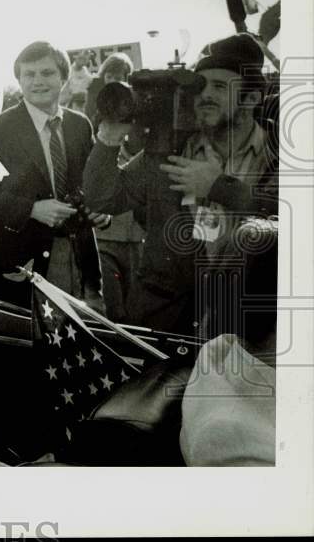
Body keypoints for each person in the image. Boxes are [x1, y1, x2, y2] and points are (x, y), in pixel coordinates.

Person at [83, 33, 277, 336]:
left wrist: (218, 187)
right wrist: (109, 136)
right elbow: (103, 200)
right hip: (164, 320)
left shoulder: (282, 153)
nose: (205, 95)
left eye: (219, 86)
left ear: (252, 97)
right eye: (200, 86)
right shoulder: (171, 150)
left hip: (242, 329)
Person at [0, 41, 107, 310]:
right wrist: (29, 209)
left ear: (63, 77)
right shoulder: (0, 127)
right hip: (22, 264)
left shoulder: (79, 125)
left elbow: (95, 182)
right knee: (28, 347)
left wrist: (102, 209)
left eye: (47, 73)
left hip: (77, 258)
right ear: (19, 79)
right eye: (29, 74)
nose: (38, 81)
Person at [83, 52, 143, 321]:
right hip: (105, 236)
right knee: (114, 310)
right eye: (110, 77)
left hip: (136, 235)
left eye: (122, 78)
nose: (116, 84)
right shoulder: (93, 125)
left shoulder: (142, 127)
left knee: (137, 307)